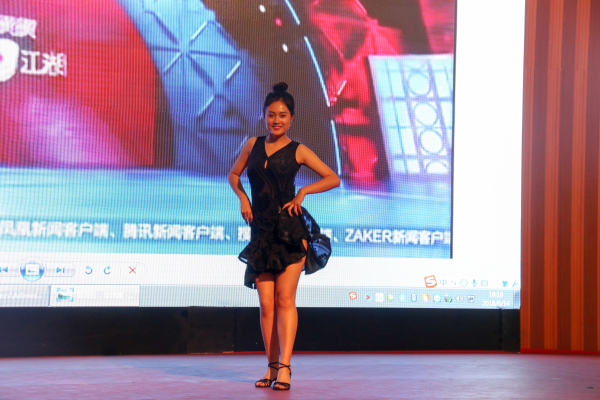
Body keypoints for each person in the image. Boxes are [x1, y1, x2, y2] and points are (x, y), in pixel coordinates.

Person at [228, 82, 340, 390]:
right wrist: (243, 198)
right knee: (266, 305)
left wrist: (303, 192)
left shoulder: (298, 150)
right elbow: (234, 174)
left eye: (282, 115)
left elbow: (333, 178)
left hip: (290, 233)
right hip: (261, 233)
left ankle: (286, 368)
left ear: (291, 118)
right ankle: (271, 367)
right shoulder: (252, 145)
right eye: (271, 115)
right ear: (264, 116)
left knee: (284, 300)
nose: (276, 120)